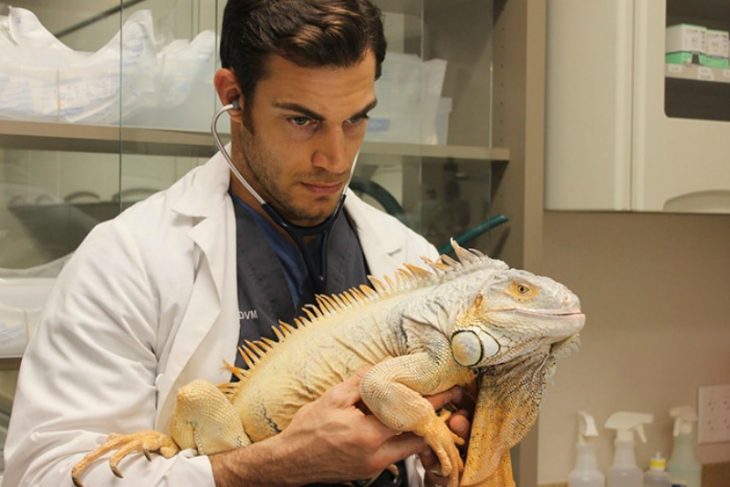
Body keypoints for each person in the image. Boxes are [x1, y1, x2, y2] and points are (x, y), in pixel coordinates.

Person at [3, 1, 471, 486]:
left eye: (355, 120)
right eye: (301, 120)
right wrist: (276, 465)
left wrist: (446, 462)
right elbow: (47, 475)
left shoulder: (409, 256)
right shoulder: (129, 260)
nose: (334, 158)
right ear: (233, 96)